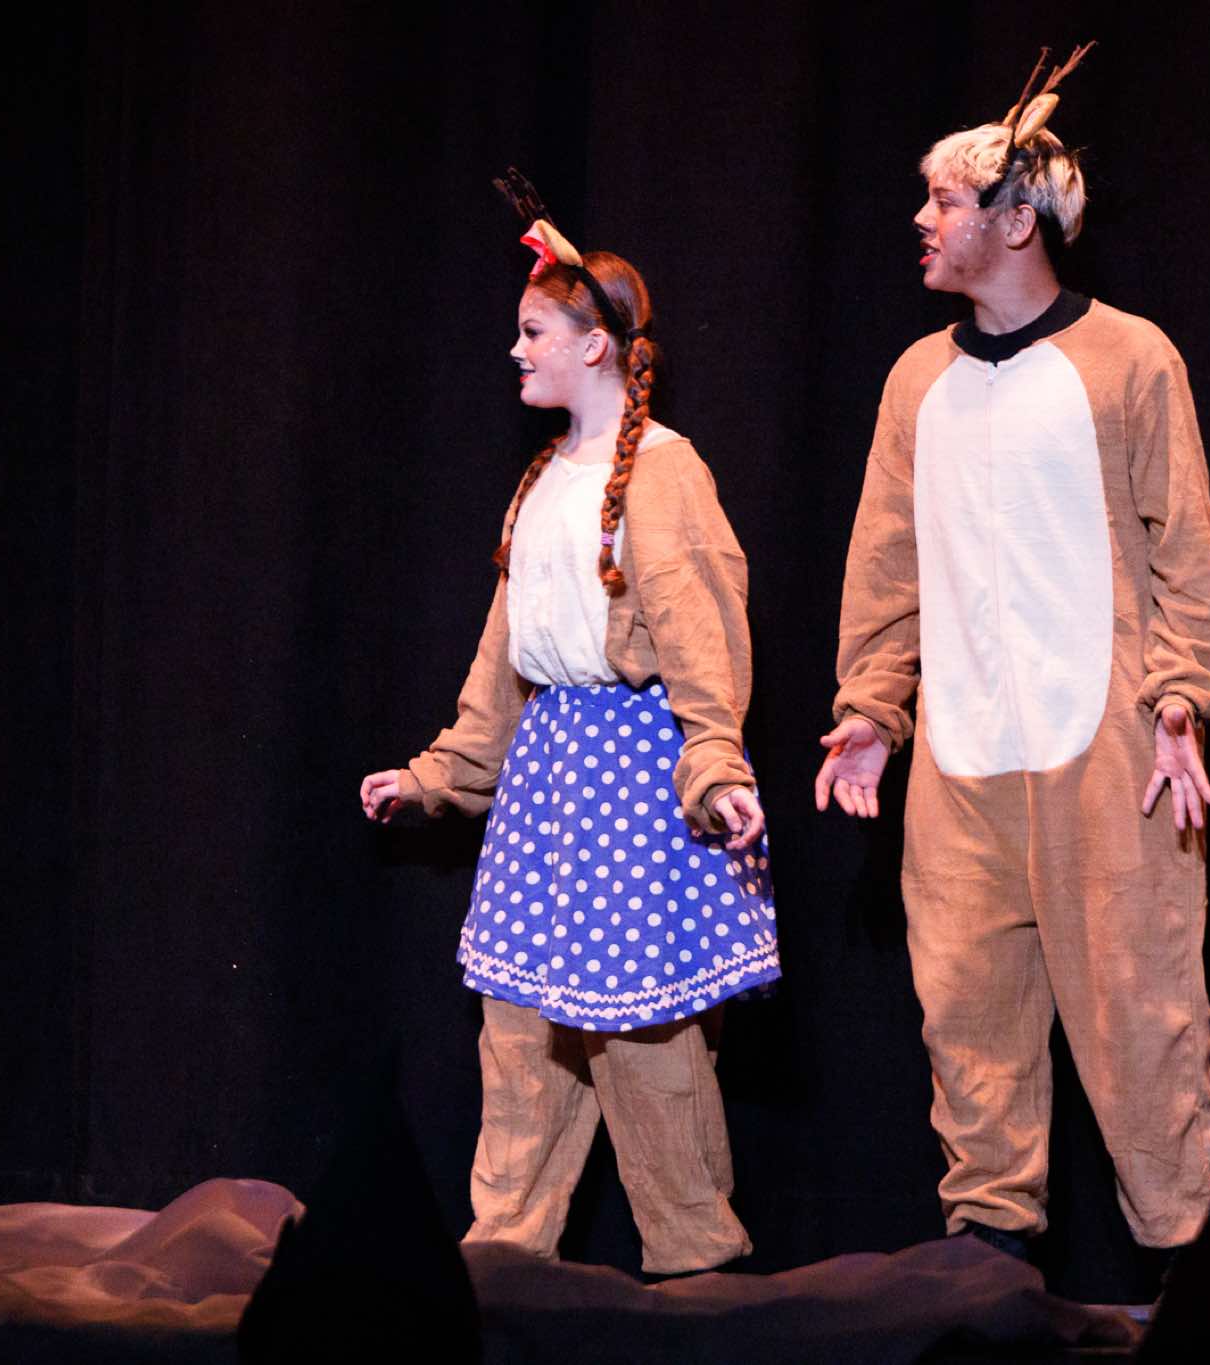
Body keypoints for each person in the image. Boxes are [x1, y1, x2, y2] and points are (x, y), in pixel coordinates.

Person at [815, 47, 1210, 1261]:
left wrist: (1178, 696)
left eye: (942, 199)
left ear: (1013, 219)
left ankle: (1194, 1273)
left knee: (1142, 1020)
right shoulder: (916, 381)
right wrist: (869, 709)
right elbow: (885, 564)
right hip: (960, 766)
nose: (920, 219)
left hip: (1108, 757)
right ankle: (986, 1280)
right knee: (967, 1030)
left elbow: (1182, 549)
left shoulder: (1129, 359)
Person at [361, 177, 777, 1276]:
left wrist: (716, 766)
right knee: (519, 1036)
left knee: (641, 1039)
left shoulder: (665, 473)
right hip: (547, 782)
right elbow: (502, 657)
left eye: (534, 332)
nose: (515, 350)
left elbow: (700, 632)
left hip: (634, 779)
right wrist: (439, 773)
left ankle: (698, 1267)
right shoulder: (544, 478)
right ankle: (502, 1268)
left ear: (596, 347)